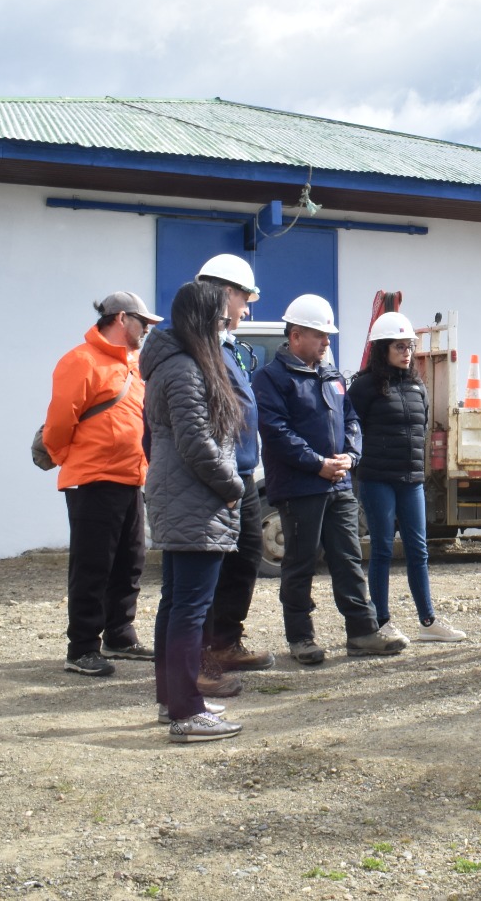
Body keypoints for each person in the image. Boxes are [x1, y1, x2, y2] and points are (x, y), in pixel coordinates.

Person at [253, 294, 407, 663]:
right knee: (300, 562)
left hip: (336, 483)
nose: (326, 342)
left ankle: (362, 632)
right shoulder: (271, 379)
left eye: (327, 336)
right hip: (300, 487)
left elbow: (352, 420)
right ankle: (301, 638)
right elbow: (276, 430)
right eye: (319, 335)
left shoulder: (331, 376)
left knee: (348, 559)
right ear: (295, 337)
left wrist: (350, 456)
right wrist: (316, 463)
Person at [141, 281, 247, 743]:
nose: (226, 325)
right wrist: (232, 485)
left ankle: (174, 698)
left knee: (176, 603)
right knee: (189, 608)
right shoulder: (184, 369)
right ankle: (187, 712)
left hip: (179, 497)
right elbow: (195, 442)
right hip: (195, 500)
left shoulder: (170, 365)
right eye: (222, 319)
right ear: (204, 321)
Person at [42, 291, 160, 677]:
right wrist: (67, 459)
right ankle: (82, 648)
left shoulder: (134, 364)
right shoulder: (80, 361)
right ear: (122, 319)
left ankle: (120, 635)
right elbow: (60, 422)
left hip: (130, 478)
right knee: (93, 566)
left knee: (130, 562)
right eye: (143, 323)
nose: (146, 330)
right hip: (93, 480)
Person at [349, 311, 466, 645]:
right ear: (382, 348)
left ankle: (427, 622)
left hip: (411, 480)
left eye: (410, 346)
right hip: (376, 479)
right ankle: (381, 621)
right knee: (383, 549)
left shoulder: (417, 386)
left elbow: (423, 428)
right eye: (399, 346)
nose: (406, 352)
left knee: (418, 549)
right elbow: (351, 430)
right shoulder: (363, 386)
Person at [194, 254, 274, 698]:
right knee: (209, 571)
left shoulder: (226, 347)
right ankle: (201, 656)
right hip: (217, 478)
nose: (248, 308)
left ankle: (225, 642)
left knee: (244, 560)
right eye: (246, 298)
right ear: (226, 294)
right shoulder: (198, 346)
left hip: (241, 473)